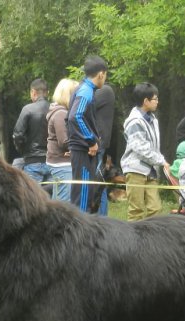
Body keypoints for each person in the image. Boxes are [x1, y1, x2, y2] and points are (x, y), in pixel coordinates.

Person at [120, 82, 168, 222]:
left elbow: (153, 147)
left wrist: (159, 161)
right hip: (136, 170)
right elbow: (140, 149)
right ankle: (133, 242)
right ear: (146, 101)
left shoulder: (153, 119)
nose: (157, 102)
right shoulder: (134, 121)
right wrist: (161, 161)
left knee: (156, 209)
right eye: (155, 99)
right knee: (137, 210)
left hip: (151, 170)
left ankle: (154, 241)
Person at [67, 55, 107, 213]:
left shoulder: (82, 88)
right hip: (83, 152)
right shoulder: (86, 91)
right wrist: (90, 141)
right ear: (101, 74)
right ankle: (79, 235)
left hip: (81, 150)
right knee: (83, 198)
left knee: (84, 195)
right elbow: (75, 116)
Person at [12, 78, 51, 192]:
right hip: (52, 160)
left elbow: (18, 135)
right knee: (52, 199)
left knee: (33, 198)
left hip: (32, 160)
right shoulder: (55, 109)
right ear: (47, 92)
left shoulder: (28, 109)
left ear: (33, 92)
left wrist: (23, 150)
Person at [45, 78, 78, 202]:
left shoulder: (61, 112)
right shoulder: (61, 114)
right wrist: (78, 149)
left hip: (60, 162)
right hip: (62, 163)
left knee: (57, 200)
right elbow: (64, 141)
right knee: (64, 202)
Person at [93, 81, 116, 215]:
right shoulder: (103, 91)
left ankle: (101, 218)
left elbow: (84, 107)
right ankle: (101, 216)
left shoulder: (104, 90)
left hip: (96, 144)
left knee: (97, 184)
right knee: (97, 183)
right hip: (97, 143)